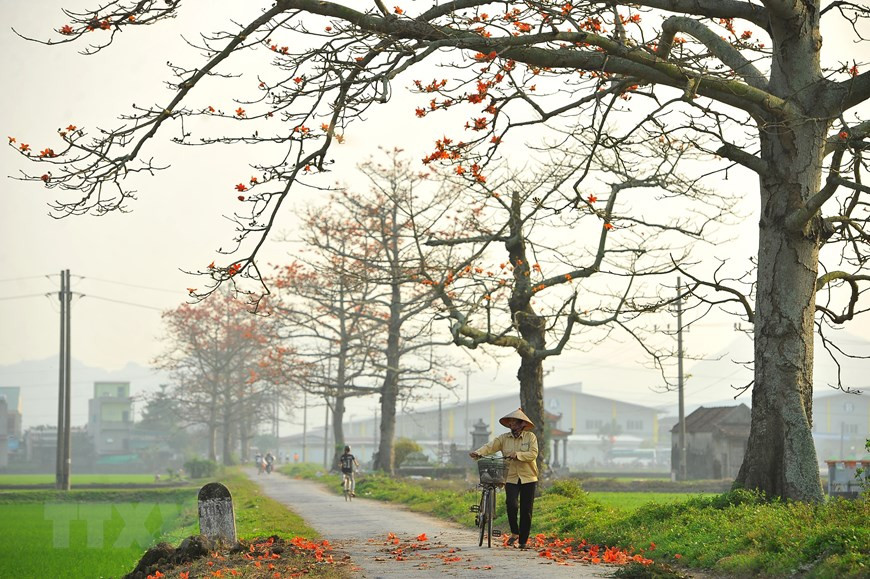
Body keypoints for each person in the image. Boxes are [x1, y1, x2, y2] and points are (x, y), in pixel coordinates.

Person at [469, 408, 539, 550]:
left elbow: (533, 453)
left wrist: (518, 454)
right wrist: (478, 452)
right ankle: (514, 532)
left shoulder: (530, 437)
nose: (511, 425)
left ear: (521, 424)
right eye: (510, 423)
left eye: (514, 422)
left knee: (526, 510)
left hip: (529, 477)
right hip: (511, 477)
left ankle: (523, 541)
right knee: (511, 505)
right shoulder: (503, 438)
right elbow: (490, 446)